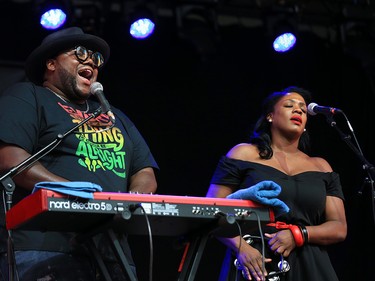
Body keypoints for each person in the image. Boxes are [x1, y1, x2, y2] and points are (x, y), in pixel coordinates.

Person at [0, 26, 159, 281]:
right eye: (80, 53)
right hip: (45, 246)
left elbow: (144, 170)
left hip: (112, 250)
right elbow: (12, 160)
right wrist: (82, 195)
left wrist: (130, 199)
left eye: (96, 58)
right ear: (51, 64)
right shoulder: (29, 97)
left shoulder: (113, 115)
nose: (90, 61)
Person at [206, 86, 347, 281]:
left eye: (303, 110)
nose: (298, 110)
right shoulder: (243, 154)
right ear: (270, 116)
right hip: (256, 259)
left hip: (311, 264)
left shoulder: (322, 166)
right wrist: (241, 247)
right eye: (289, 105)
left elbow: (338, 227)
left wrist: (298, 234)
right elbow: (210, 210)